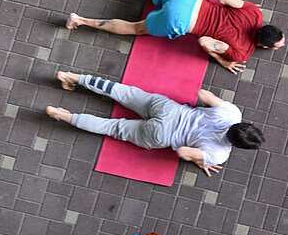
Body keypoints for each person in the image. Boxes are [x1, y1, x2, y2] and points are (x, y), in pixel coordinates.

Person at [66, 0, 285, 74]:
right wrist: (223, 60)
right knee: (136, 28)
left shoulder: (254, 12)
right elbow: (204, 43)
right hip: (180, 21)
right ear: (263, 46)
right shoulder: (241, 53)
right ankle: (81, 20)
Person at [46, 71, 264, 177]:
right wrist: (201, 160)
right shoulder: (219, 154)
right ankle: (63, 116)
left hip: (169, 109)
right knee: (112, 128)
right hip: (162, 135)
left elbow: (202, 94)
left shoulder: (232, 113)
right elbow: (182, 153)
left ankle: (73, 77)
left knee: (122, 92)